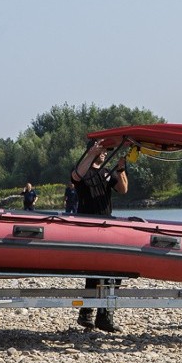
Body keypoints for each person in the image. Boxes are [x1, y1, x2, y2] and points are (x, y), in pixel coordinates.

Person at [71, 141, 128, 332]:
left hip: (106, 224)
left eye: (106, 151)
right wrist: (91, 153)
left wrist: (120, 170)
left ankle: (101, 315)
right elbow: (76, 176)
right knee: (94, 273)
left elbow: (123, 190)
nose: (105, 154)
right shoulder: (83, 168)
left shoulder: (105, 172)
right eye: (103, 150)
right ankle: (89, 314)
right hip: (88, 226)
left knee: (111, 272)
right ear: (93, 150)